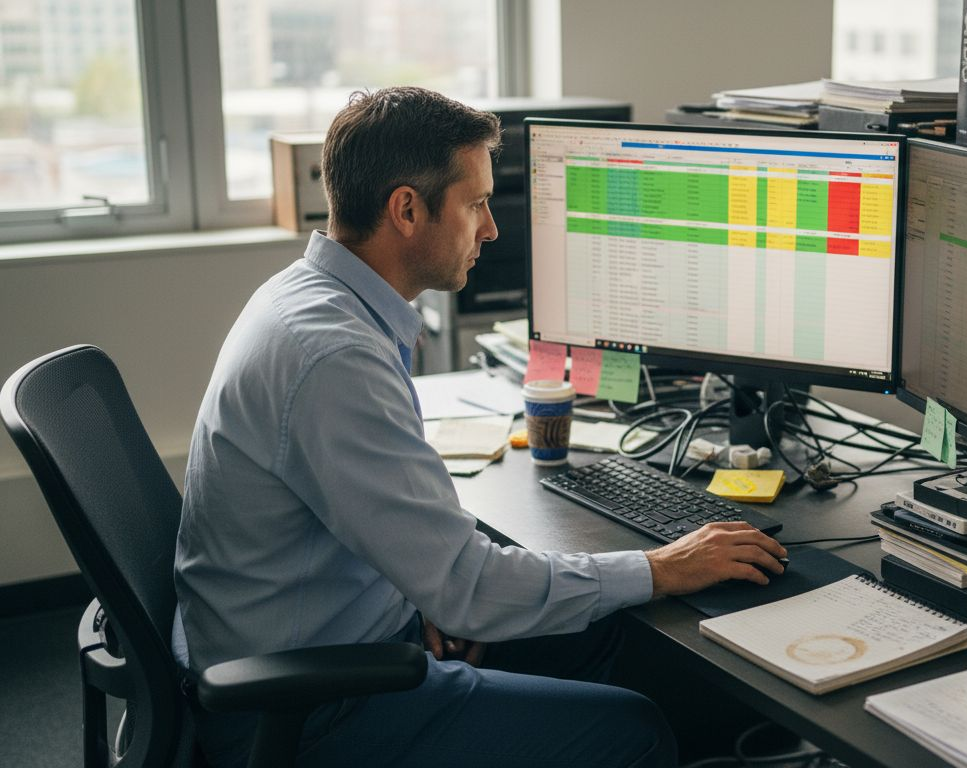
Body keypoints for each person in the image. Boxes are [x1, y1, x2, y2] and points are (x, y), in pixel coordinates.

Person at [171, 86, 788, 768]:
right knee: (634, 726)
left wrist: (415, 585)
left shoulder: (313, 299)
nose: (491, 228)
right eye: (476, 203)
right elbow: (471, 591)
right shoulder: (335, 356)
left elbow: (403, 545)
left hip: (326, 643)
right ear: (407, 209)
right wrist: (661, 566)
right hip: (311, 713)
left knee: (613, 637)